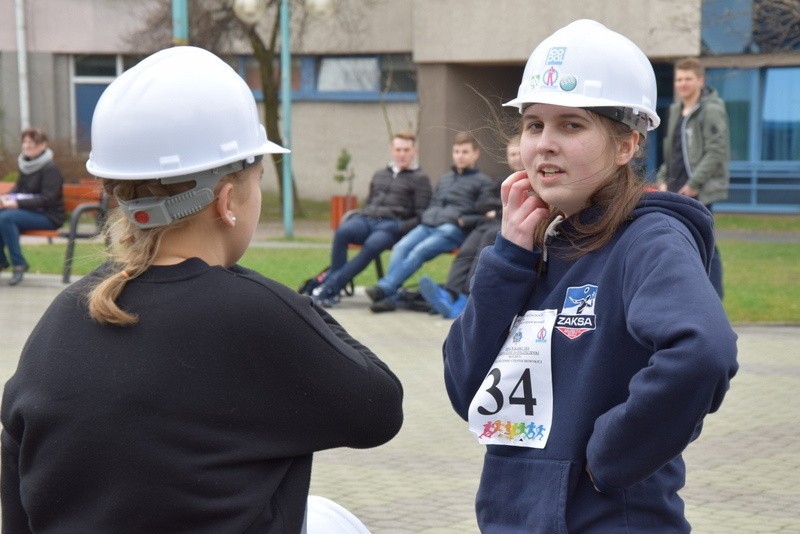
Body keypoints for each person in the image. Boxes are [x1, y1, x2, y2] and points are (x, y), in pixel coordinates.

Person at [1, 46, 403, 534]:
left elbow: (18, 491)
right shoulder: (250, 310)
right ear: (228, 200)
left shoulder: (65, 312)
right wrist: (271, 294)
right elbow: (381, 408)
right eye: (257, 180)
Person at [442, 20, 738, 533]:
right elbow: (468, 389)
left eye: (571, 125)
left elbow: (702, 352)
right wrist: (508, 259)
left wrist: (607, 458)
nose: (544, 144)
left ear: (626, 144)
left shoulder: (650, 239)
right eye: (534, 125)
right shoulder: (535, 241)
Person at [366, 131, 495, 313]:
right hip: (428, 225)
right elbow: (434, 202)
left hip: (452, 229)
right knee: (400, 248)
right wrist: (427, 218)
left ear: (476, 154)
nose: (460, 156)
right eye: (457, 151)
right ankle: (390, 297)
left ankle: (385, 289)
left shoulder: (484, 182)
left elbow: (485, 213)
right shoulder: (445, 178)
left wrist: (463, 220)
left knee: (419, 251)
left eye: (465, 152)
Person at [310, 131, 431, 307]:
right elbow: (369, 201)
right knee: (343, 232)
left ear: (414, 151)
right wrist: (361, 215)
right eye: (398, 149)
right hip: (366, 219)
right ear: (392, 150)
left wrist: (400, 227)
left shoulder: (420, 179)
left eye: (406, 150)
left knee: (372, 245)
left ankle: (330, 289)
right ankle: (333, 287)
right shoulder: (380, 174)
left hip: (391, 225)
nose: (402, 154)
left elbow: (422, 215)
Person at [418, 135, 523, 318]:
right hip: (490, 223)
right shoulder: (502, 180)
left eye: (517, 154)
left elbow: (518, 204)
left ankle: (467, 297)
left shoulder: (532, 178)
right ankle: (450, 293)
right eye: (511, 154)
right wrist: (499, 207)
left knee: (484, 245)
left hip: (508, 226)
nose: (514, 158)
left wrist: (496, 209)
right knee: (467, 249)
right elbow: (481, 204)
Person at [656, 57, 730, 299]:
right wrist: (663, 178)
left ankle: (713, 298)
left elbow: (716, 150)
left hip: (697, 190)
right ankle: (688, 294)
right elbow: (671, 150)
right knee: (679, 241)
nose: (683, 84)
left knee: (706, 243)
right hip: (675, 187)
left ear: (700, 80)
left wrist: (694, 184)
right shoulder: (676, 109)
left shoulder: (711, 109)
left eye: (688, 79)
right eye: (679, 79)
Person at [0, 128, 65, 286]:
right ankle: (1, 261)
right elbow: (18, 190)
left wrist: (16, 203)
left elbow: (48, 199)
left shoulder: (50, 169)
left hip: (49, 216)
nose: (27, 146)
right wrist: (5, 198)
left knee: (6, 218)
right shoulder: (26, 166)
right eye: (25, 142)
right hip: (29, 212)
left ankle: (19, 264)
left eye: (32, 143)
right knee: (3, 215)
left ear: (43, 145)